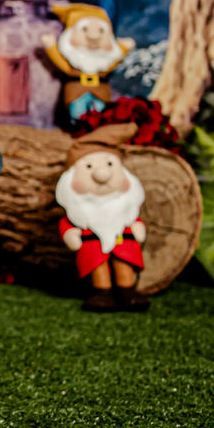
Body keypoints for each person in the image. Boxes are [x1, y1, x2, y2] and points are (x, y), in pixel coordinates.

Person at [54, 124, 147, 311]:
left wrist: (138, 227)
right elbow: (66, 225)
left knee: (124, 263)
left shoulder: (125, 207)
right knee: (98, 266)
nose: (102, 175)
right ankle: (102, 292)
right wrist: (70, 234)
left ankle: (126, 289)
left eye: (110, 164)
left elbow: (134, 219)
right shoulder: (78, 211)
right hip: (93, 248)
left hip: (122, 243)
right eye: (88, 167)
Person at [40, 3, 134, 124]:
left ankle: (96, 126)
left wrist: (123, 48)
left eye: (101, 31)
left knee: (100, 111)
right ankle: (78, 126)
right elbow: (62, 64)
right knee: (77, 111)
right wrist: (51, 47)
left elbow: (112, 62)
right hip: (76, 92)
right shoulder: (73, 61)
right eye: (84, 29)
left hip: (100, 93)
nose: (93, 37)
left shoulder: (103, 62)